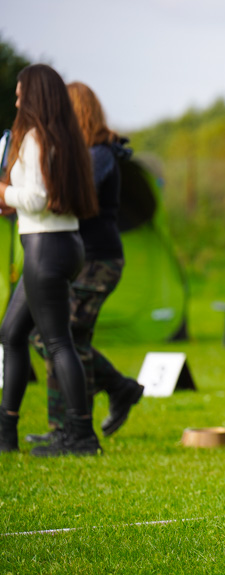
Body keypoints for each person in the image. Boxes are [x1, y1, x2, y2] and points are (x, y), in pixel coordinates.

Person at [24, 81, 146, 445]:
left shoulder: (98, 153)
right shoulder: (85, 151)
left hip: (98, 259)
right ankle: (77, 418)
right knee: (63, 338)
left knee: (59, 337)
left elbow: (74, 197)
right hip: (81, 257)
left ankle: (75, 426)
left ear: (76, 110)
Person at [0, 64, 101, 456]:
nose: (17, 98)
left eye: (21, 91)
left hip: (47, 247)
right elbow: (43, 198)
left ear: (35, 95)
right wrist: (14, 202)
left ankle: (80, 436)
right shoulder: (61, 136)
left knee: (58, 342)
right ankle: (6, 431)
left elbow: (37, 198)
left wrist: (4, 193)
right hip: (57, 243)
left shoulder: (35, 139)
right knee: (11, 334)